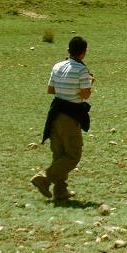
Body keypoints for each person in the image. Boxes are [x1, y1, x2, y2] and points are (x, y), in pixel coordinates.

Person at [31, 36, 94, 204]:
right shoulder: (82, 70)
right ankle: (44, 178)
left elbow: (51, 89)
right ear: (83, 53)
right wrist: (90, 82)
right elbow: (85, 94)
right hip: (70, 116)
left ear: (68, 50)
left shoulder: (57, 66)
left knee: (59, 154)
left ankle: (61, 191)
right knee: (73, 155)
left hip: (54, 114)